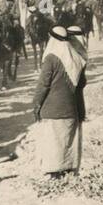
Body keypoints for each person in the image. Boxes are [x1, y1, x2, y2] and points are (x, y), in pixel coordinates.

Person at [31, 26, 87, 176]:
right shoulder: (76, 59)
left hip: (52, 111)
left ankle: (54, 175)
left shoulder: (51, 58)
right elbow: (81, 86)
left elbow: (43, 85)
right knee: (67, 145)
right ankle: (68, 173)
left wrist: (36, 105)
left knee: (53, 145)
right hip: (71, 111)